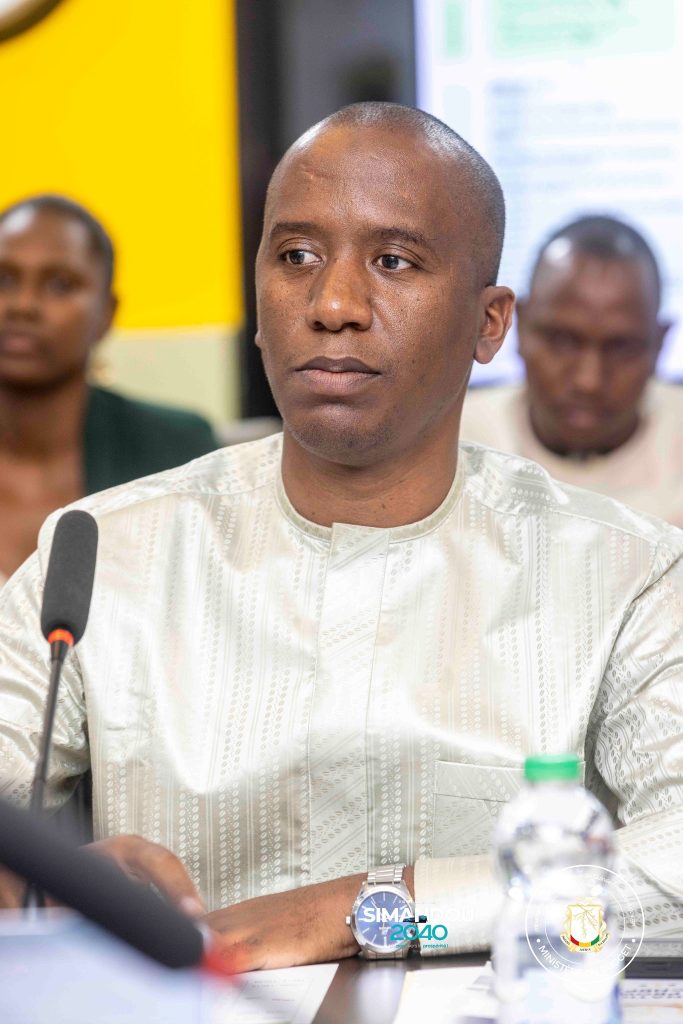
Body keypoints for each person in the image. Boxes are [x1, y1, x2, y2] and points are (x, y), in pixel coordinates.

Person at [0, 105, 681, 971]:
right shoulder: (105, 552)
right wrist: (51, 890)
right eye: (296, 257)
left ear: (489, 324)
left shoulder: (620, 572)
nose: (331, 305)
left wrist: (375, 911)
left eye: (393, 262)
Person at [0, 194, 216, 585]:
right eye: (4, 280)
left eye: (59, 285)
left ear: (106, 312)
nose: (23, 305)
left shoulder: (178, 455)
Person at [460, 215, 683, 527]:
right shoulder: (450, 443)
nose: (588, 381)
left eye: (621, 348)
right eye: (563, 341)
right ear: (517, 326)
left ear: (660, 344)